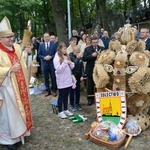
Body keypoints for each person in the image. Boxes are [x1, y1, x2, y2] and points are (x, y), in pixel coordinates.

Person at [0, 16, 33, 150]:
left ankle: (20, 135)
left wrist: (28, 54)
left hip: (20, 88)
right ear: (0, 39)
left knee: (20, 112)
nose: (11, 39)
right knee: (9, 116)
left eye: (12, 36)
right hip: (6, 90)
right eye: (8, 37)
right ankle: (8, 140)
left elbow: (23, 60)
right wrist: (9, 70)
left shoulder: (16, 47)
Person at [53, 42, 74, 119]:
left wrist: (70, 63)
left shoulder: (65, 56)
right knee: (61, 96)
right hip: (61, 80)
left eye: (66, 49)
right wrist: (65, 62)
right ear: (60, 49)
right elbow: (58, 69)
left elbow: (70, 67)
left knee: (66, 95)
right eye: (64, 49)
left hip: (67, 79)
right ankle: (60, 111)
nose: (65, 50)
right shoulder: (57, 57)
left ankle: (65, 109)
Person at [83, 37, 105, 106]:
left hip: (100, 70)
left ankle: (98, 99)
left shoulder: (102, 48)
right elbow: (84, 58)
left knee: (99, 85)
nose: (95, 44)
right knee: (90, 85)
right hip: (90, 70)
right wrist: (91, 56)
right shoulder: (87, 49)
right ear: (91, 42)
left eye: (96, 42)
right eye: (93, 42)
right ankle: (90, 99)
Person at [38, 32, 57, 97]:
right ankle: (48, 90)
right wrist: (44, 57)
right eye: (45, 37)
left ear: (49, 37)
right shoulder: (41, 45)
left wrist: (51, 57)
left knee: (53, 77)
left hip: (52, 63)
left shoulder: (54, 45)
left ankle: (54, 90)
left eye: (47, 36)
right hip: (45, 64)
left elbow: (56, 53)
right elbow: (39, 54)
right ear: (43, 38)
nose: (46, 38)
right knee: (46, 78)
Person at [69, 45, 84, 111]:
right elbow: (73, 64)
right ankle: (72, 103)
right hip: (72, 76)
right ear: (73, 51)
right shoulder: (71, 56)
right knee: (72, 90)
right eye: (76, 52)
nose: (78, 53)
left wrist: (82, 75)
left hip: (78, 76)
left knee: (78, 90)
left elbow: (82, 66)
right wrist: (77, 58)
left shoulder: (80, 57)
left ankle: (77, 103)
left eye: (79, 52)